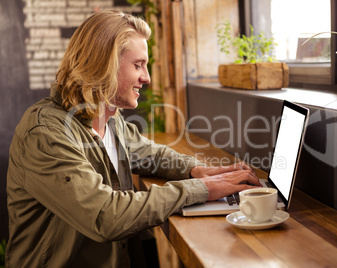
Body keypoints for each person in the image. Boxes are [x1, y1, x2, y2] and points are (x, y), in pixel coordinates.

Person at [6, 10, 261, 267]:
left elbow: (150, 153)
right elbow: (105, 215)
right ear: (104, 65)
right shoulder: (44, 133)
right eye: (138, 65)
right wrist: (203, 190)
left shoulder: (107, 117)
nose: (146, 77)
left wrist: (198, 170)